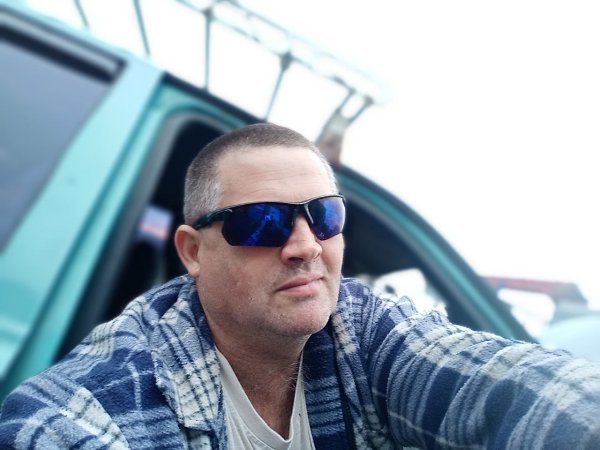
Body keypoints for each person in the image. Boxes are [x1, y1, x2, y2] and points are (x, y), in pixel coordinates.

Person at [1, 123, 599, 449]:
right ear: (193, 252)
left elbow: (513, 389)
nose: (306, 245)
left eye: (325, 215)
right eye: (262, 221)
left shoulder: (364, 332)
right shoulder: (107, 397)